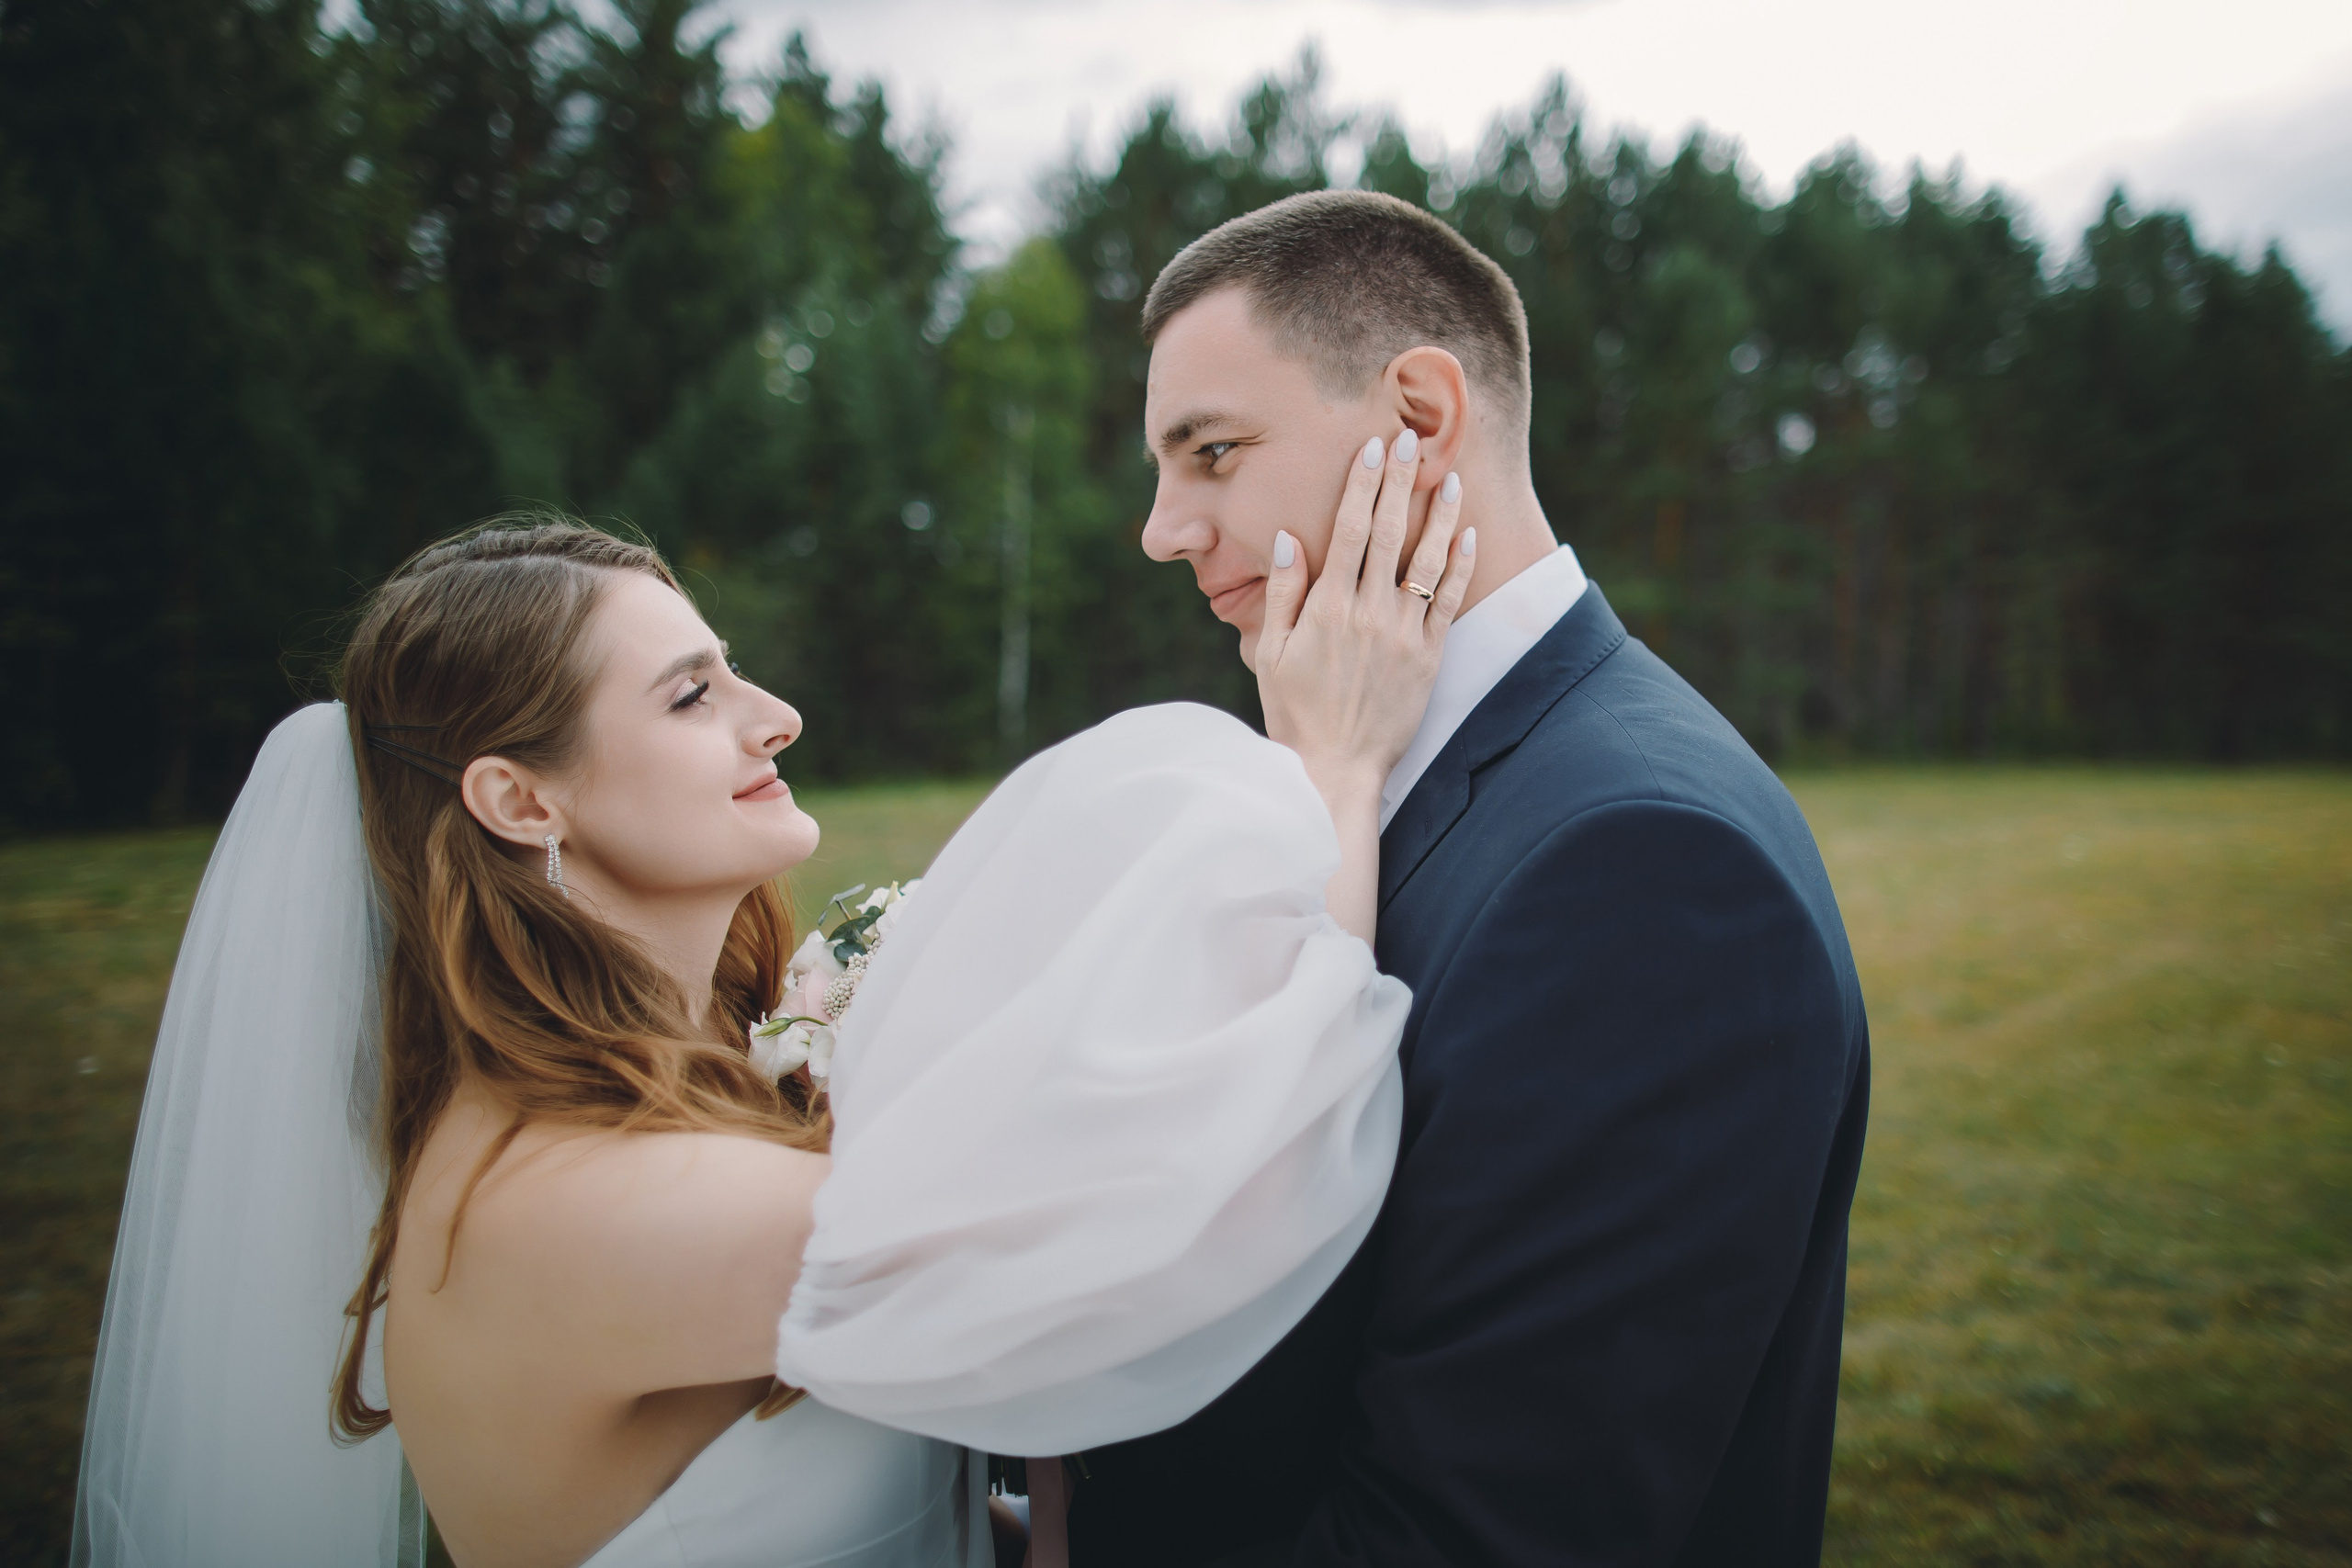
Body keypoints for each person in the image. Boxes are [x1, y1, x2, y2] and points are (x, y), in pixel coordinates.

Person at [71, 475, 1468, 1568]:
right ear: (519, 801)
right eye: (692, 695)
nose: (777, 715)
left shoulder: (670, 1106)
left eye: (730, 669)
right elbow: (1222, 1195)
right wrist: (1329, 764)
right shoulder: (575, 1202)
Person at [1067, 190, 1872, 1565]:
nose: (1162, 528)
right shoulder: (1348, 773)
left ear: (1423, 419)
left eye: (1211, 453)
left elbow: (1474, 1530)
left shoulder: (1647, 867)